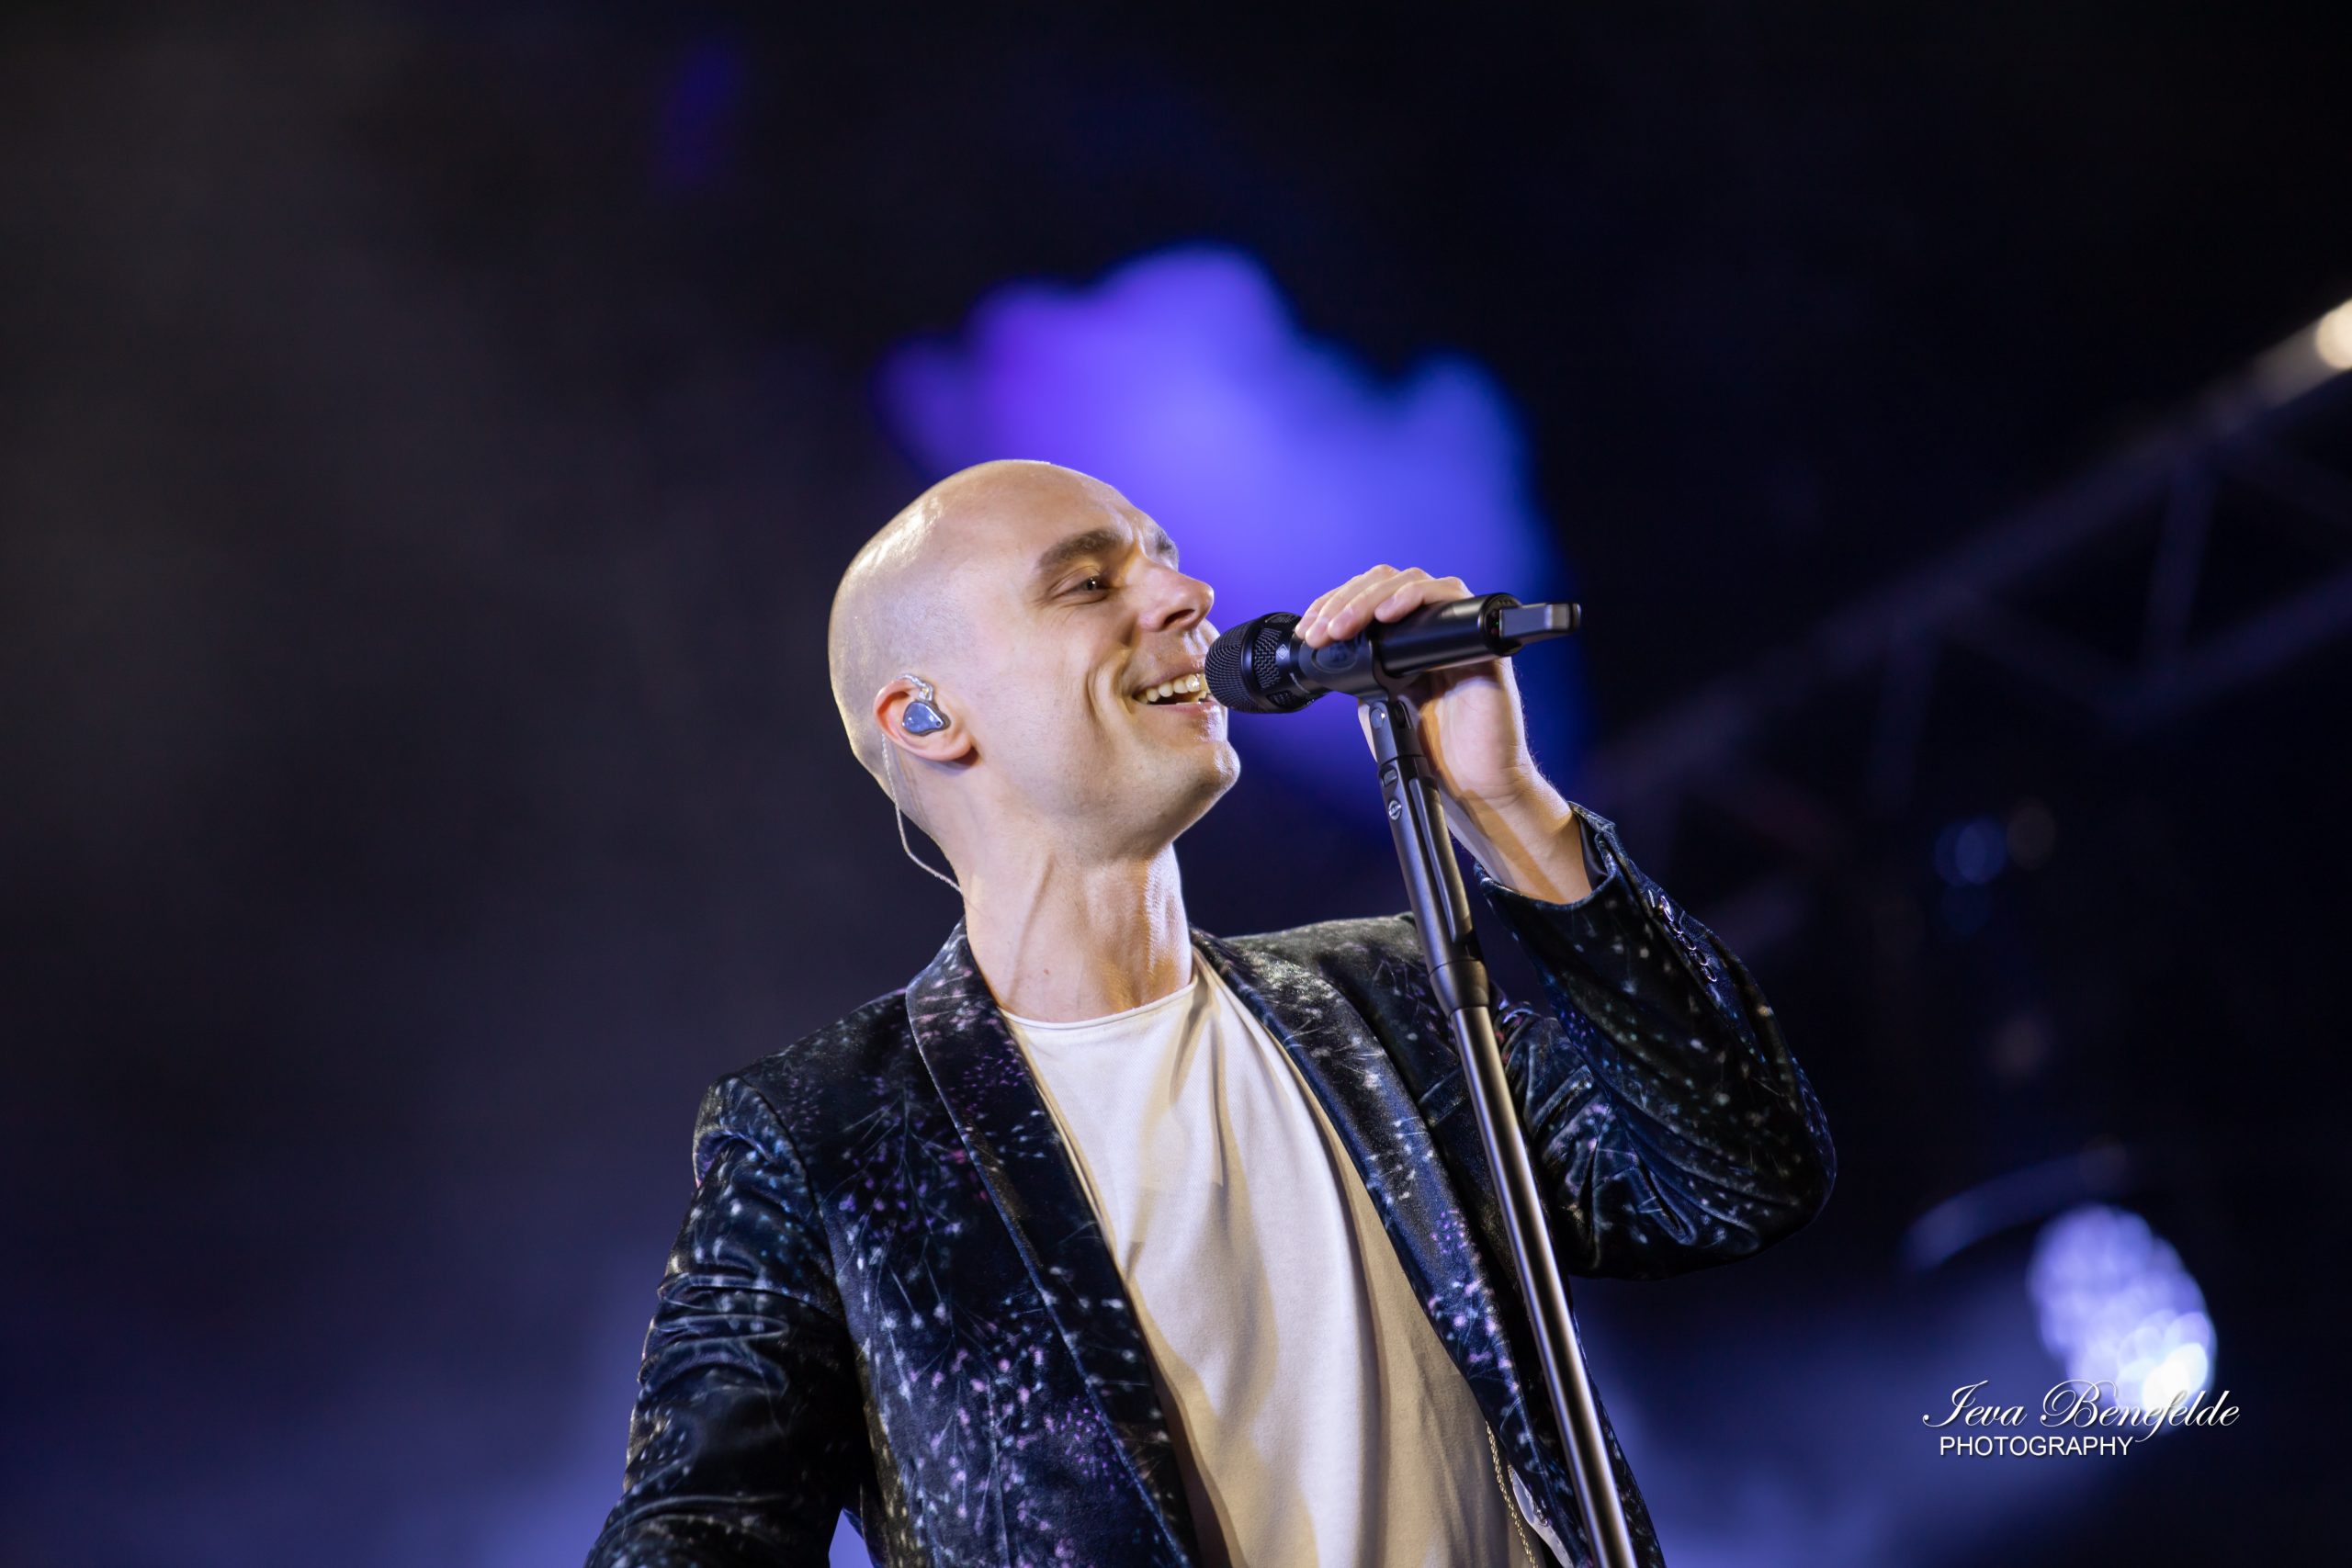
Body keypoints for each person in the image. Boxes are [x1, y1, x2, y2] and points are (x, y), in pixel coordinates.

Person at [583, 459, 1835, 1568]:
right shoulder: (826, 1141)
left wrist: (1504, 800)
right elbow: (694, 1536)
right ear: (927, 716)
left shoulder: (1383, 1001)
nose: (1189, 598)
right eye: (1089, 584)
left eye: (1169, 560)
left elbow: (1738, 1175)